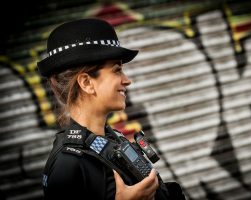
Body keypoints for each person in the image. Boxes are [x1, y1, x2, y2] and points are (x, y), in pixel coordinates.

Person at [37, 18, 186, 200]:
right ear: (86, 83)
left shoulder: (112, 138)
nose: (127, 80)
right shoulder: (67, 165)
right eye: (117, 70)